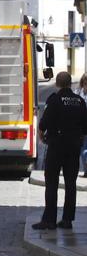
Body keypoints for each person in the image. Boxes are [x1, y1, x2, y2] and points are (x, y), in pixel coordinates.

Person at [33, 71, 87, 231]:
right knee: (71, 184)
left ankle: (49, 220)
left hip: (56, 145)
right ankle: (67, 220)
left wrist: (42, 136)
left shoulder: (54, 99)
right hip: (73, 147)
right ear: (70, 83)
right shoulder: (80, 101)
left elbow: (44, 124)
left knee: (51, 183)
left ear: (57, 83)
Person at [76, 73, 87, 177]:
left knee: (83, 149)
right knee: (83, 149)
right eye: (85, 83)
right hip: (82, 127)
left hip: (82, 127)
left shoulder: (79, 94)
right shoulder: (78, 93)